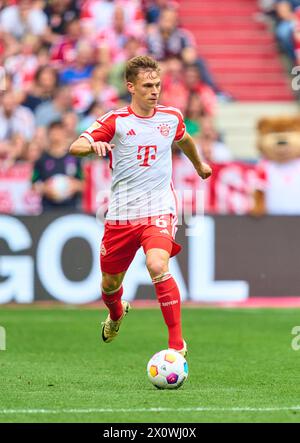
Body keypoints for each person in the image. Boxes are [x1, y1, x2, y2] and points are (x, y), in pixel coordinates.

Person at [69, 55, 212, 356]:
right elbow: (76, 146)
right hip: (121, 214)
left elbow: (184, 139)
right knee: (109, 285)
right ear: (131, 86)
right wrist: (92, 147)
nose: (155, 91)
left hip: (158, 207)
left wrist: (199, 165)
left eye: (158, 84)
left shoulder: (170, 117)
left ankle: (176, 344)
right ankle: (117, 314)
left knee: (157, 265)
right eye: (148, 85)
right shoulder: (116, 120)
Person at [32, 120, 83, 211]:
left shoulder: (75, 158)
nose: (56, 135)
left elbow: (84, 183)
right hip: (48, 208)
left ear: (65, 133)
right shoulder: (42, 160)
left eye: (59, 131)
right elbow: (33, 184)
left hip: (70, 207)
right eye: (53, 132)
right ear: (49, 134)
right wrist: (44, 188)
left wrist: (75, 186)